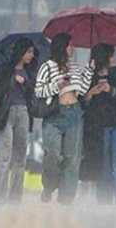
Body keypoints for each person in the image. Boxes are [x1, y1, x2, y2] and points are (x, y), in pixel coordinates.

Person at [0, 38, 37, 204]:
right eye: (29, 52)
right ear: (21, 52)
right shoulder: (3, 69)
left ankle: (15, 198)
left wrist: (25, 82)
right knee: (4, 156)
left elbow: (34, 92)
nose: (31, 55)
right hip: (5, 114)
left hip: (23, 113)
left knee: (20, 158)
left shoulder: (30, 71)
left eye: (32, 52)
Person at [34, 33, 91, 204]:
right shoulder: (47, 67)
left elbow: (82, 90)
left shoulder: (74, 66)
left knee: (72, 158)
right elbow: (38, 90)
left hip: (74, 113)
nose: (73, 48)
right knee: (53, 156)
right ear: (62, 47)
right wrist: (56, 86)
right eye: (70, 45)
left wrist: (89, 69)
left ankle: (66, 199)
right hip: (54, 114)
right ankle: (49, 186)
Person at [81, 44, 116, 205]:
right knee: (103, 162)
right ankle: (104, 198)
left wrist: (111, 89)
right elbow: (81, 100)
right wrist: (91, 93)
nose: (114, 59)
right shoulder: (88, 77)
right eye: (112, 55)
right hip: (98, 126)